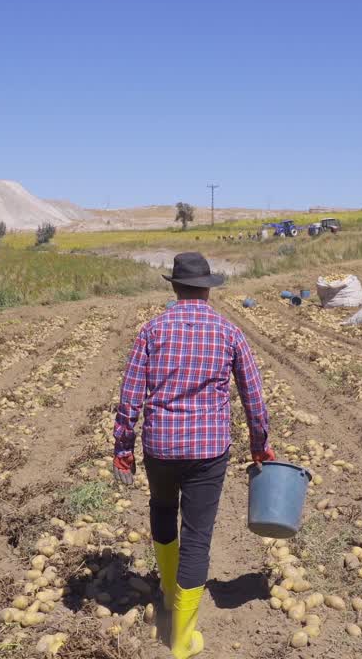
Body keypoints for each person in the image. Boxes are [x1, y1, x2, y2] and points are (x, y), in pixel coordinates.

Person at [112, 252, 274, 659]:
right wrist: (260, 444)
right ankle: (182, 640)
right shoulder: (228, 332)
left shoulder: (152, 331)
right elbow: (253, 396)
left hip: (161, 446)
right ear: (207, 288)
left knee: (163, 510)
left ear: (174, 287)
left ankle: (168, 591)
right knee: (197, 538)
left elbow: (129, 396)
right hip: (209, 450)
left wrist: (122, 449)